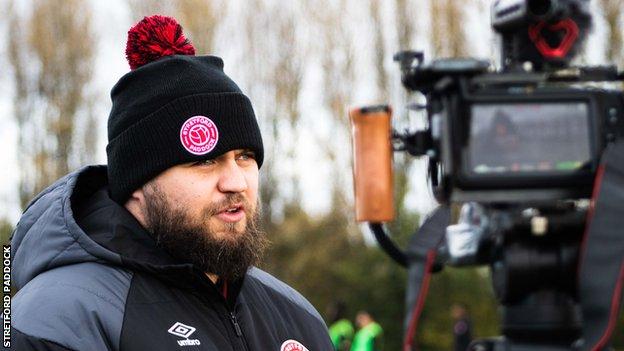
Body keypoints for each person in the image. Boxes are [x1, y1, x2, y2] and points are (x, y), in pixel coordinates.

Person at [9, 15, 333, 351]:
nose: (236, 182)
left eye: (245, 156)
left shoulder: (297, 317)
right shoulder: (53, 324)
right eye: (205, 160)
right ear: (138, 181)